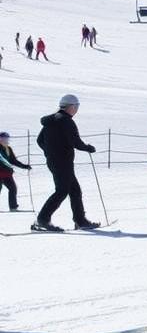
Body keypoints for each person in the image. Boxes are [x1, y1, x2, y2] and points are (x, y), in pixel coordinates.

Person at [34, 94, 98, 231]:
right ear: (71, 106)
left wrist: (50, 152)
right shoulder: (66, 121)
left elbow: (39, 140)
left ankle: (80, 221)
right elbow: (75, 141)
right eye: (77, 106)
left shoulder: (50, 121)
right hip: (63, 162)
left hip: (55, 162)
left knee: (74, 190)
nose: (77, 110)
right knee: (62, 191)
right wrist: (88, 148)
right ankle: (42, 220)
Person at [0, 131, 31, 210]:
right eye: (3, 138)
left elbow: (13, 160)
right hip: (2, 172)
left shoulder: (8, 149)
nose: (5, 140)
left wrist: (24, 166)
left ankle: (13, 207)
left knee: (13, 188)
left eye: (6, 138)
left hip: (6, 173)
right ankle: (13, 206)